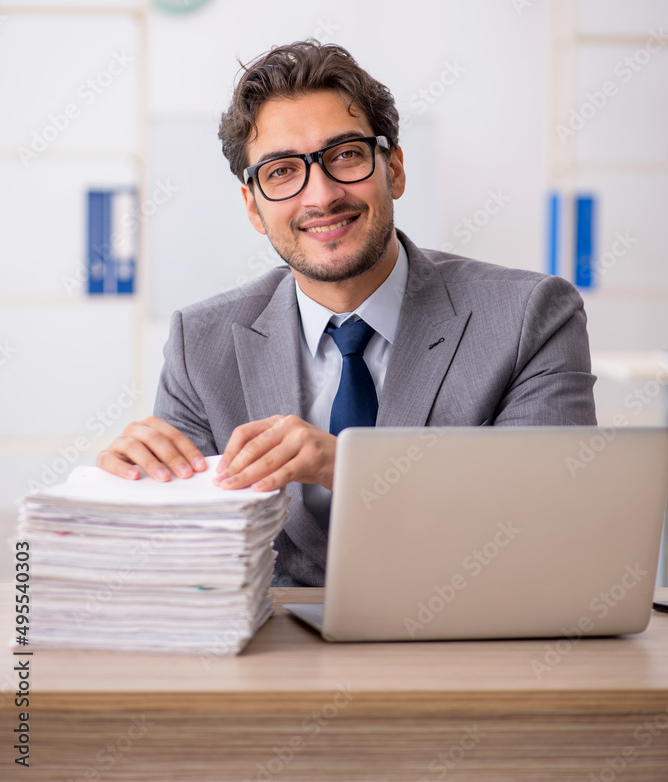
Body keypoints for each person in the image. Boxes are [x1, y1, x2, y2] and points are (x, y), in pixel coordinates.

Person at [97, 40, 597, 586]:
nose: (321, 195)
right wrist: (131, 499)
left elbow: (554, 519)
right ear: (254, 208)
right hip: (275, 660)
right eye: (283, 171)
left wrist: (348, 467)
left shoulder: (530, 315)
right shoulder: (202, 343)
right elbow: (189, 566)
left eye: (346, 156)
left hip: (472, 647)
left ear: (395, 170)